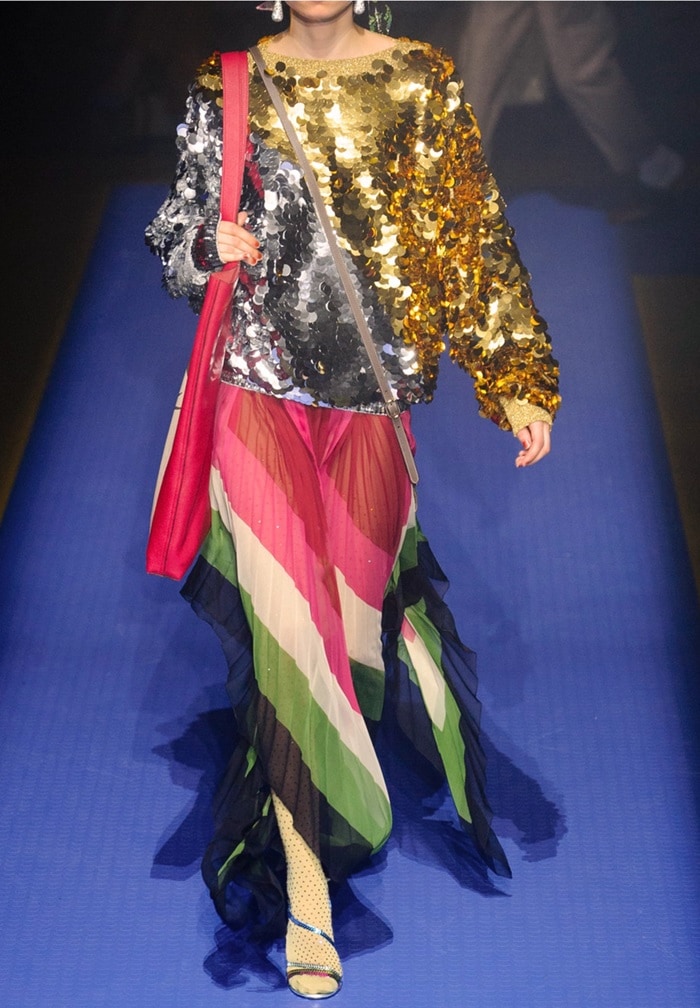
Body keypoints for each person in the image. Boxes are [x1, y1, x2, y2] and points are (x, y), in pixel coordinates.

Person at [145, 1, 560, 999]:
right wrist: (210, 248)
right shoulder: (228, 81)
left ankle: (342, 775)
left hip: (373, 403)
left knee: (352, 635)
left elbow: (470, 236)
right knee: (293, 645)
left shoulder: (420, 79)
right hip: (254, 394)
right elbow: (173, 236)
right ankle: (306, 891)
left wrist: (513, 374)